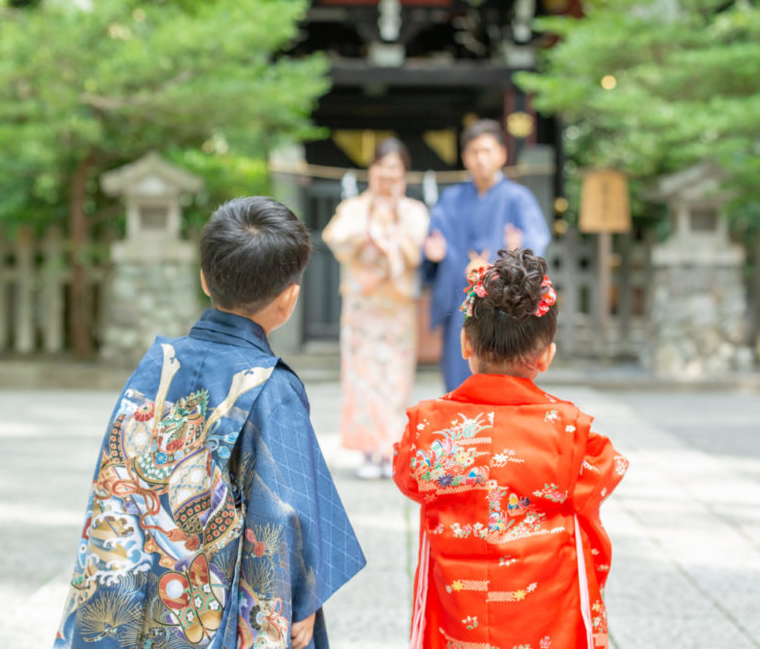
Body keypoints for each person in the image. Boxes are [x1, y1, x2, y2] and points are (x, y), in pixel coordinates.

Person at [54, 197, 366, 649]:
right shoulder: (270, 389)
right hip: (210, 609)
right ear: (289, 299)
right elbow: (284, 516)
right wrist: (303, 598)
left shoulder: (154, 367)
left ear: (204, 279)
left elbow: (113, 493)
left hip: (138, 597)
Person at [393, 249, 627, 649]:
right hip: (542, 619)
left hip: (458, 616)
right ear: (546, 357)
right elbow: (600, 481)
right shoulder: (573, 432)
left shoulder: (428, 427)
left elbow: (407, 478)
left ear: (465, 344)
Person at [322, 138, 430, 480]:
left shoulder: (414, 211)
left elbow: (417, 254)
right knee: (362, 377)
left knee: (394, 377)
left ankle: (390, 450)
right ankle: (370, 450)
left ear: (403, 173)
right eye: (382, 167)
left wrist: (394, 222)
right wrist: (370, 229)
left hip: (396, 308)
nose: (387, 174)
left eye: (394, 168)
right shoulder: (355, 208)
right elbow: (335, 237)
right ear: (372, 170)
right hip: (363, 307)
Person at [423, 118, 551, 392]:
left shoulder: (518, 198)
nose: (481, 159)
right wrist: (433, 256)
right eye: (474, 152)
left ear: (502, 154)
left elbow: (536, 243)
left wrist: (522, 248)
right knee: (458, 379)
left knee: (506, 378)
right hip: (462, 303)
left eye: (487, 151)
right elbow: (434, 244)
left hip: (505, 308)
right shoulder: (451, 199)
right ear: (464, 157)